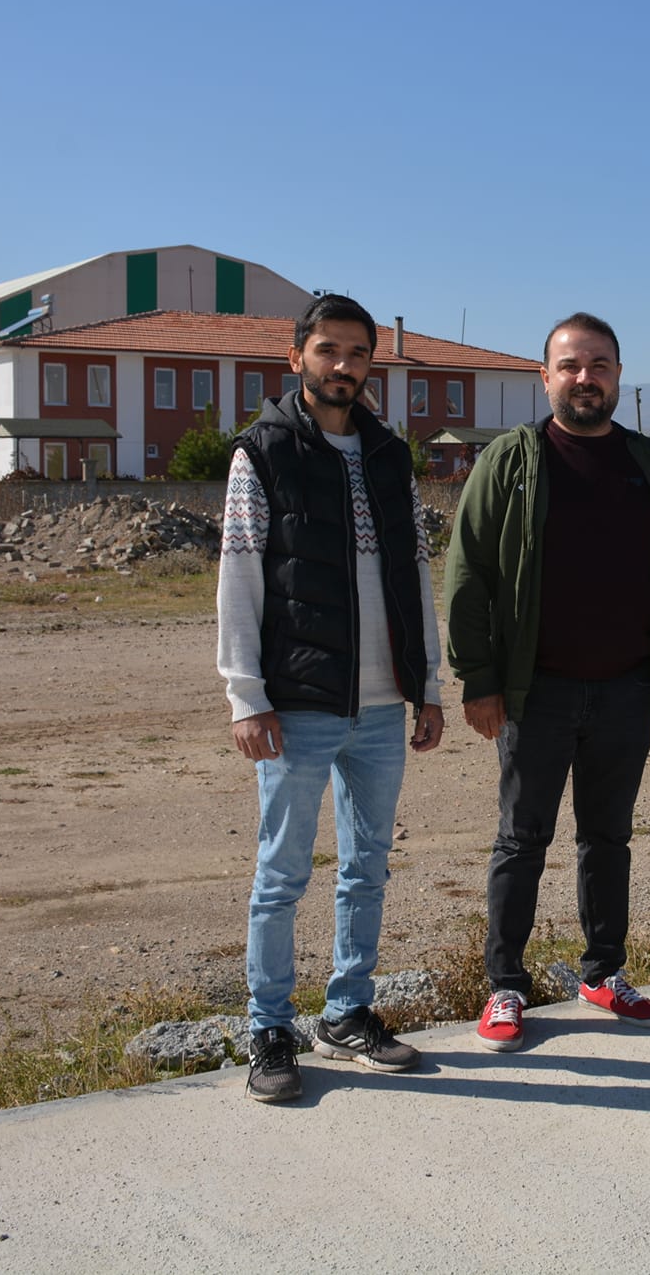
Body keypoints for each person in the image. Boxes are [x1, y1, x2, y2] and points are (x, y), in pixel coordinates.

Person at [444, 312, 650, 1052]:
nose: (586, 378)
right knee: (522, 839)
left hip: (624, 689)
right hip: (538, 692)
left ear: (618, 376)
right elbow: (468, 573)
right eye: (571, 365)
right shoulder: (511, 460)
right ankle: (505, 984)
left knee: (609, 838)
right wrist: (479, 679)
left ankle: (603, 972)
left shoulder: (648, 462)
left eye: (599, 366)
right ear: (546, 377)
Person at [217, 293, 445, 1104]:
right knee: (282, 874)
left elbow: (415, 573)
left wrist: (427, 686)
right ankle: (269, 1029)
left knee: (367, 868)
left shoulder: (388, 454)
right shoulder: (264, 452)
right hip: (300, 702)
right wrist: (247, 696)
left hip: (383, 706)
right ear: (297, 358)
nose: (343, 365)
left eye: (357, 353)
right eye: (328, 350)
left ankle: (347, 1013)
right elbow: (240, 576)